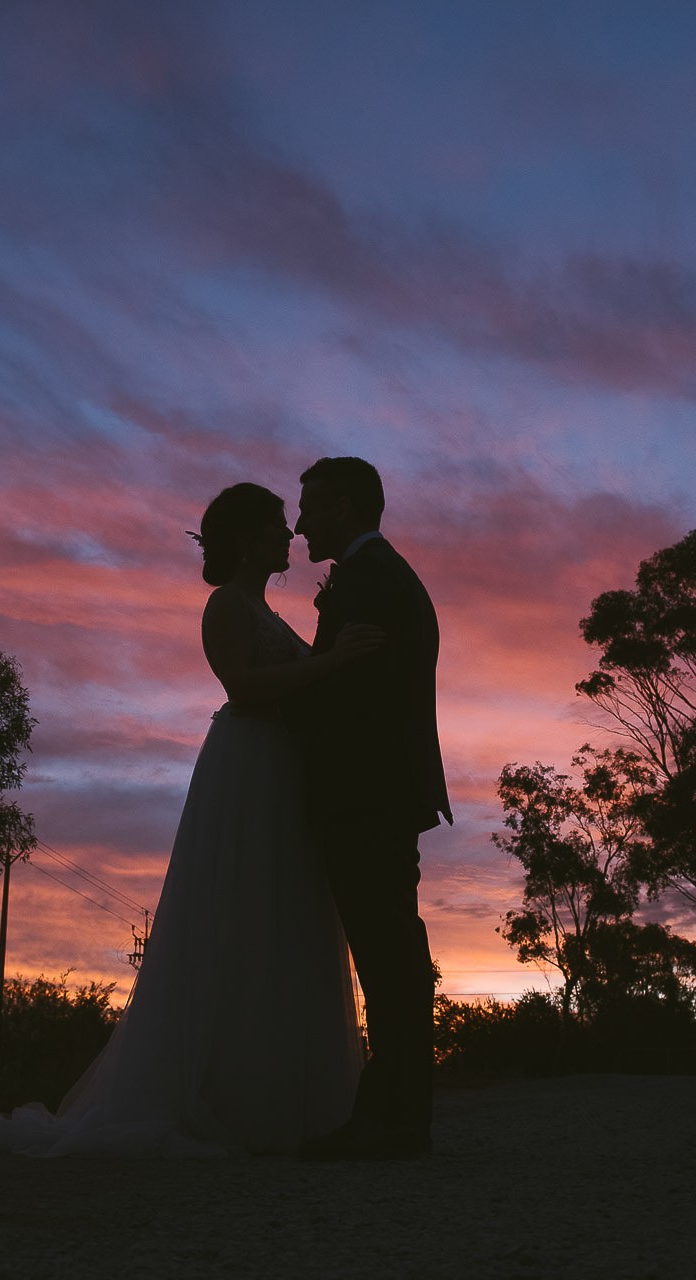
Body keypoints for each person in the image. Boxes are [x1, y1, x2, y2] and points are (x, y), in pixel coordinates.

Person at [0, 482, 378, 1157]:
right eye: (278, 526)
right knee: (237, 912)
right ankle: (222, 1100)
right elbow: (243, 687)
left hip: (284, 770)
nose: (289, 536)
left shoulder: (264, 607)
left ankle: (282, 1100)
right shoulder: (224, 606)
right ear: (246, 537)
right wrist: (332, 663)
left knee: (281, 921)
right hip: (249, 767)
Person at [290, 457, 450, 1161]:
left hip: (366, 795)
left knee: (387, 957)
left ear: (346, 509)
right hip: (382, 792)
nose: (299, 524)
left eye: (311, 508)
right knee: (393, 953)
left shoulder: (368, 582)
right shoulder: (384, 576)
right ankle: (396, 1113)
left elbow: (352, 701)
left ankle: (394, 1121)